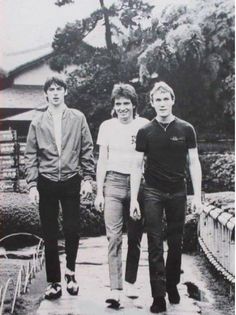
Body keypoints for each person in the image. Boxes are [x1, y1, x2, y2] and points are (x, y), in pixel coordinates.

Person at [130, 81, 202, 313]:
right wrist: (133, 199)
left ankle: (172, 284)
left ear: (172, 100)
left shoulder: (186, 129)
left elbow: (194, 163)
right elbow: (136, 166)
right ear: (152, 103)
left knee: (175, 241)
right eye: (157, 100)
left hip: (178, 191)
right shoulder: (145, 132)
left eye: (165, 99)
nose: (162, 103)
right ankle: (158, 295)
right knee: (154, 243)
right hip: (152, 191)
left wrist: (197, 196)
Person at [25, 76, 94, 300]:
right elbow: (30, 155)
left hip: (71, 179)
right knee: (50, 232)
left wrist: (87, 179)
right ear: (46, 94)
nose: (55, 93)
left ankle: (70, 274)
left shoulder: (77, 118)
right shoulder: (37, 121)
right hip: (46, 181)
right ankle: (53, 282)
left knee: (73, 229)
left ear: (65, 92)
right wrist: (32, 185)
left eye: (59, 89)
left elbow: (86, 149)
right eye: (51, 89)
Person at [95, 83, 149, 308]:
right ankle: (115, 289)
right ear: (114, 106)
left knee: (135, 237)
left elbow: (149, 158)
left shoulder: (145, 125)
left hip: (139, 184)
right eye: (118, 104)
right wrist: (100, 192)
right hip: (113, 183)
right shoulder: (106, 126)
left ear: (134, 105)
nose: (122, 108)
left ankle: (130, 281)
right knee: (114, 237)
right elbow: (102, 161)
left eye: (126, 103)